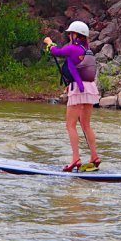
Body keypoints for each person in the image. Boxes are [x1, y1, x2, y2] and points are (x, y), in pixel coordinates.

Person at [43, 21, 101, 172]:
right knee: (86, 125)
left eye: (71, 33)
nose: (69, 35)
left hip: (78, 89)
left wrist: (49, 42)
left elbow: (55, 52)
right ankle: (95, 157)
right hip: (90, 88)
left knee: (70, 125)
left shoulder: (72, 48)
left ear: (76, 35)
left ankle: (76, 159)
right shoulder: (87, 50)